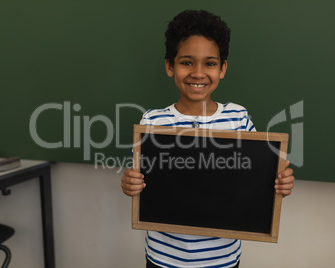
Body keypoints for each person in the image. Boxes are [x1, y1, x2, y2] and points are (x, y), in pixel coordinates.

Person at [121, 10, 295, 268]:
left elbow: (260, 173)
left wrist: (281, 181)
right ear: (170, 66)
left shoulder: (238, 118)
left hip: (221, 259)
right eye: (187, 62)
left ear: (222, 68)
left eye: (210, 63)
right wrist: (129, 183)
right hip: (165, 258)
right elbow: (139, 176)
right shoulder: (153, 122)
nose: (198, 73)